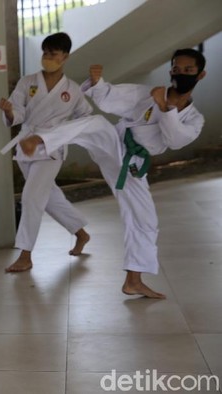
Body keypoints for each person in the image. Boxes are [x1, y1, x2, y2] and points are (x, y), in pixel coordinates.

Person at [19, 48, 207, 298]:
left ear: (200, 75)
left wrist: (165, 108)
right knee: (96, 123)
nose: (180, 74)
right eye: (176, 68)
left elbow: (175, 140)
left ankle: (133, 280)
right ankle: (40, 140)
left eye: (188, 70)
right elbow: (113, 97)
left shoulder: (194, 119)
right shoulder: (147, 94)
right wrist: (98, 85)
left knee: (144, 219)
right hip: (115, 145)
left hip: (133, 165)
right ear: (170, 70)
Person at [0, 32, 92, 273]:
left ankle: (26, 254)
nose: (48, 57)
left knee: (31, 197)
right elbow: (17, 110)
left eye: (53, 53)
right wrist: (9, 112)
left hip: (51, 149)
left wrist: (63, 134)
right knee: (49, 197)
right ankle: (81, 233)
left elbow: (84, 117)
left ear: (65, 56)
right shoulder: (27, 82)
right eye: (45, 53)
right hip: (26, 146)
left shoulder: (72, 89)